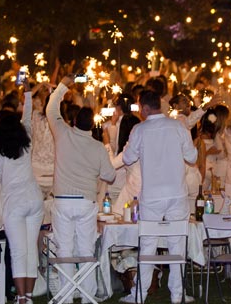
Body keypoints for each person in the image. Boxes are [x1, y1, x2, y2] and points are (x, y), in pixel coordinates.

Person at [120, 90, 197, 304]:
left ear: (145, 108)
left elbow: (128, 158)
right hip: (176, 194)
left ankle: (140, 295)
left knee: (147, 245)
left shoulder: (139, 130)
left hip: (152, 195)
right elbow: (192, 156)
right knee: (177, 245)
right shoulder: (178, 127)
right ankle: (177, 294)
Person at [47, 75, 116, 303]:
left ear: (74, 121)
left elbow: (51, 109)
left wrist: (64, 85)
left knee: (64, 249)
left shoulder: (63, 134)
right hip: (86, 201)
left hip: (63, 201)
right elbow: (110, 175)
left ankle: (66, 297)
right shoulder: (97, 147)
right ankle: (87, 295)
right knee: (86, 249)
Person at [0, 81, 44, 304]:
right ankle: (29, 296)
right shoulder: (27, 143)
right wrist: (28, 94)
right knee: (31, 251)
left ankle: (22, 298)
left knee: (17, 252)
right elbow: (27, 118)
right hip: (35, 199)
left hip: (15, 203)